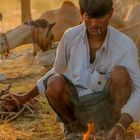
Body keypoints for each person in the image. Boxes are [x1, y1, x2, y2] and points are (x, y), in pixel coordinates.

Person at [6, 0, 140, 139]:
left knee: (120, 74)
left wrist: (122, 125)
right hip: (76, 108)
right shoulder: (70, 37)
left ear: (111, 13)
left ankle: (112, 128)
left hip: (108, 109)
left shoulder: (125, 45)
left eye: (100, 17)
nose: (94, 24)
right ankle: (73, 129)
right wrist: (25, 98)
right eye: (89, 17)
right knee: (54, 82)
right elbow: (56, 71)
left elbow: (138, 88)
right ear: (81, 14)